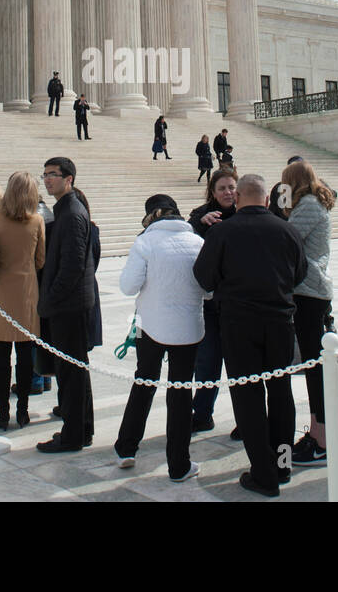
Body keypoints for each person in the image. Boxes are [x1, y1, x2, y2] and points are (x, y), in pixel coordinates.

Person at [193, 174, 307, 497]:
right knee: (281, 392)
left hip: (239, 325)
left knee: (249, 396)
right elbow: (300, 273)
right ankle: (282, 464)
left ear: (239, 198)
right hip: (281, 323)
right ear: (267, 200)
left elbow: (203, 276)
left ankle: (264, 472)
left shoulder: (223, 231)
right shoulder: (288, 230)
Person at [114, 194, 208, 481]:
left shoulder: (145, 242)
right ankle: (179, 464)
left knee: (144, 380)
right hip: (188, 328)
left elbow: (128, 287)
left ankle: (126, 447)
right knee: (180, 393)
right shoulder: (198, 242)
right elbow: (210, 290)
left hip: (148, 325)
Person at [36, 157, 97, 453]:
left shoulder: (71, 214)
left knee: (71, 373)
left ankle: (73, 435)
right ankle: (82, 430)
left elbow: (72, 267)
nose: (47, 180)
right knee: (76, 371)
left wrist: (51, 297)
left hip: (69, 306)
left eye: (54, 175)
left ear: (69, 179)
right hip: (70, 304)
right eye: (45, 174)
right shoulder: (65, 210)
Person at [280, 159, 336, 467]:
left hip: (310, 290)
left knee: (315, 366)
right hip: (309, 290)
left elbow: (285, 238)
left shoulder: (311, 206)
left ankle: (322, 441)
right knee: (312, 364)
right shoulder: (311, 203)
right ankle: (317, 433)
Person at [0, 171, 46, 430]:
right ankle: (22, 411)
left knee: (0, 359)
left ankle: (2, 413)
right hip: (26, 292)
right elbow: (40, 260)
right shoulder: (37, 222)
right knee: (24, 357)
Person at [188, 169, 238, 434]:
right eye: (222, 188)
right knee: (207, 361)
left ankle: (245, 418)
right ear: (213, 192)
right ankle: (203, 413)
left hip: (236, 303)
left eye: (232, 187)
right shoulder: (201, 215)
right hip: (209, 303)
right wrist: (200, 222)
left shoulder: (245, 213)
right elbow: (189, 235)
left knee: (239, 363)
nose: (228, 192)